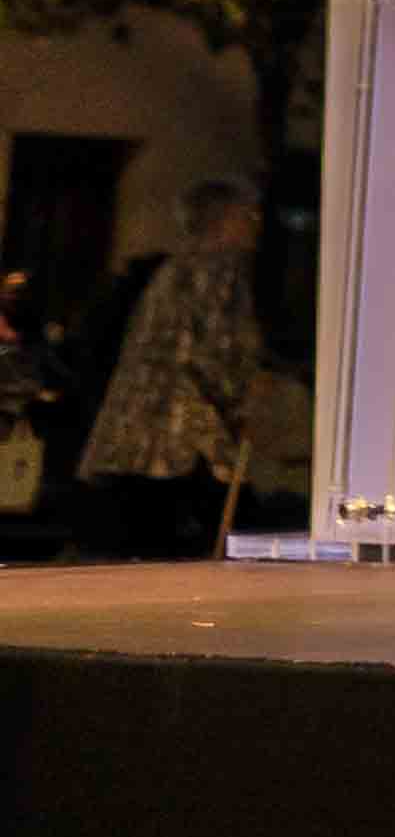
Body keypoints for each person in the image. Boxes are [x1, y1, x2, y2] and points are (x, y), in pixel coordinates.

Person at [76, 178, 263, 557]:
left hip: (139, 429)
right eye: (246, 215)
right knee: (219, 524)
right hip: (185, 429)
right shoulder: (217, 268)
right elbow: (215, 349)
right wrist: (241, 399)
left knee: (148, 525)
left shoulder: (175, 269)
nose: (253, 223)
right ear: (223, 220)